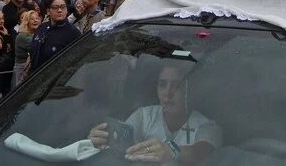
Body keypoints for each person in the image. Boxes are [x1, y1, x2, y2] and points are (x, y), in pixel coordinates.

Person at [88, 63, 222, 163]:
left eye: (176, 86)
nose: (168, 93)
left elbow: (200, 152)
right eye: (162, 84)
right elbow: (121, 144)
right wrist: (99, 142)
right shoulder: (144, 116)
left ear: (189, 90)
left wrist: (171, 151)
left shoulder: (207, 126)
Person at [29, 0, 81, 72]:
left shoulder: (73, 32)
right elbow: (33, 51)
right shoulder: (42, 27)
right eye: (55, 7)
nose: (59, 10)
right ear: (48, 11)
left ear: (66, 10)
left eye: (63, 7)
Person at [13, 10, 40, 87]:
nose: (35, 20)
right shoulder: (23, 36)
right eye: (32, 19)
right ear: (26, 21)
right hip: (22, 68)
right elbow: (38, 46)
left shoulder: (36, 33)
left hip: (32, 66)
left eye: (37, 18)